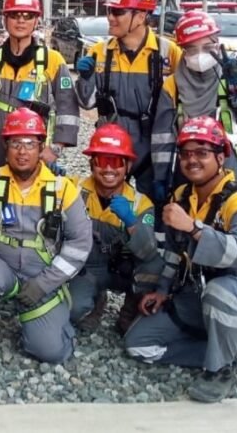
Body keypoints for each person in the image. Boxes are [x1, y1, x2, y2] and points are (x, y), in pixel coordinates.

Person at [125, 116, 237, 403]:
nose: (192, 160)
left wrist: (194, 227)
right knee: (138, 344)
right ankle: (225, 348)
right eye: (186, 153)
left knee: (221, 293)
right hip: (199, 292)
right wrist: (162, 291)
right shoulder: (182, 195)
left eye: (202, 153)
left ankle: (220, 369)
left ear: (221, 157)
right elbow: (173, 251)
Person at [0, 108, 91, 364]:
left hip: (42, 275)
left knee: (50, 351)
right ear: (6, 146)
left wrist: (45, 284)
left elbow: (80, 245)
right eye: (16, 143)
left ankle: (35, 318)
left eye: (29, 143)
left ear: (41, 146)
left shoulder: (62, 189)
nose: (23, 151)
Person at [150, 10, 237, 198]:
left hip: (229, 168)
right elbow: (162, 137)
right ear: (182, 50)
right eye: (192, 49)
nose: (200, 55)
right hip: (189, 169)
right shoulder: (173, 86)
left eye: (207, 47)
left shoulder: (234, 78)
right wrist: (161, 177)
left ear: (217, 44)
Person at [75, 0, 181, 195]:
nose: (110, 18)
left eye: (118, 11)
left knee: (151, 213)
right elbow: (87, 103)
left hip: (152, 149)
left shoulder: (168, 53)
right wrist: (85, 78)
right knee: (107, 211)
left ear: (141, 16)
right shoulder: (99, 52)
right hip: (111, 146)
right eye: (110, 11)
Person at [67, 124, 157, 335]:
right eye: (102, 161)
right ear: (91, 164)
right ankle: (95, 301)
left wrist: (131, 221)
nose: (108, 169)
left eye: (116, 162)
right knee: (72, 310)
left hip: (123, 271)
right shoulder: (72, 189)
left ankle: (130, 311)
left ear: (128, 166)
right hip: (87, 268)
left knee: (155, 265)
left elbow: (148, 252)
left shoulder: (140, 204)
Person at [0, 0, 79, 169]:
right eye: (15, 15)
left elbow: (68, 110)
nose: (21, 21)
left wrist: (55, 148)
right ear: (5, 19)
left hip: (34, 150)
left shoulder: (53, 60)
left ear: (36, 21)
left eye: (28, 15)